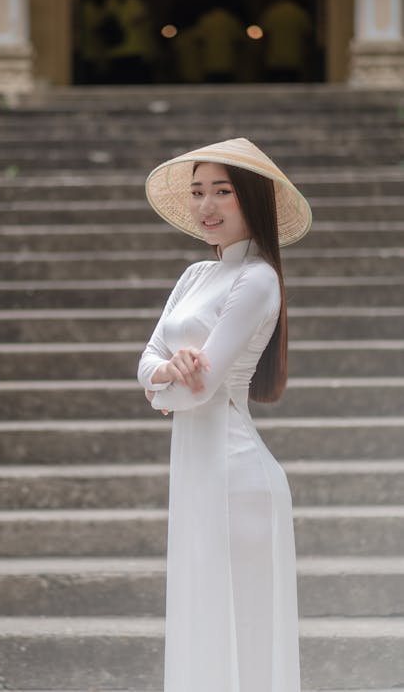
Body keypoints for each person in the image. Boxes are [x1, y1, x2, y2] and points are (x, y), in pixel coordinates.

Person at [137, 137, 312, 692]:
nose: (206, 206)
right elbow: (146, 363)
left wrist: (165, 381)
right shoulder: (192, 276)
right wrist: (165, 374)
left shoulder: (257, 278)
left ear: (252, 199)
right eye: (197, 192)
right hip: (197, 474)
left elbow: (200, 389)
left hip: (238, 482)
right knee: (202, 621)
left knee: (245, 635)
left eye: (222, 191)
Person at [259, 0, 313, 82]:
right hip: (294, 60)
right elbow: (307, 37)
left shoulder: (272, 13)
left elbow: (264, 38)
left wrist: (261, 58)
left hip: (274, 60)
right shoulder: (299, 13)